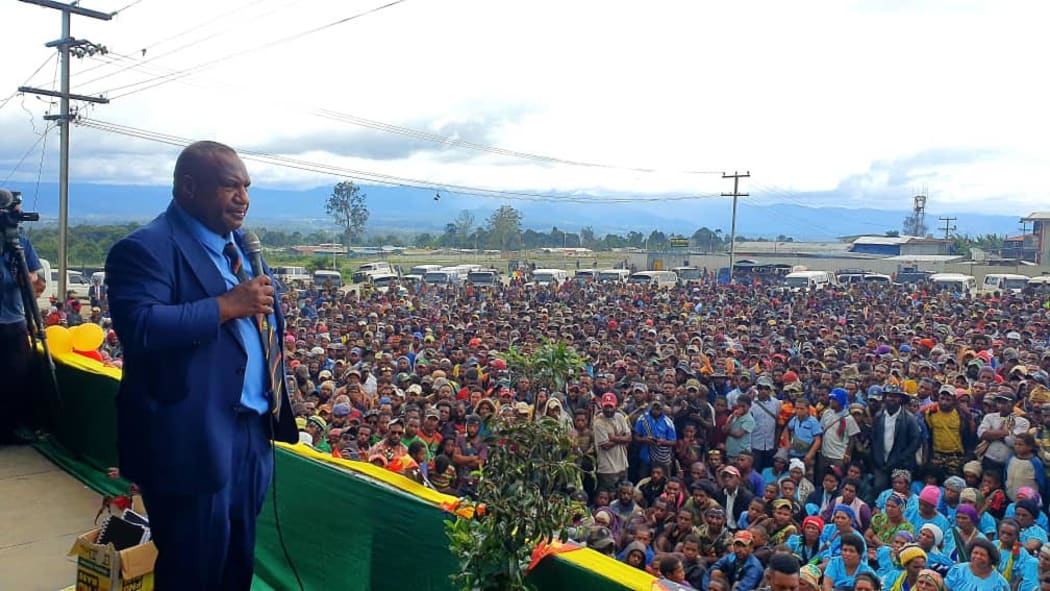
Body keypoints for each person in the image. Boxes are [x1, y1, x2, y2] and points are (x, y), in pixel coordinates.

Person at [105, 141, 297, 590]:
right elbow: (141, 325)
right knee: (194, 567)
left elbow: (264, 326)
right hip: (188, 437)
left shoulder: (244, 248)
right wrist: (226, 306)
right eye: (230, 185)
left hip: (251, 431)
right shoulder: (145, 248)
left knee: (236, 561)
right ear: (189, 187)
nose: (243, 197)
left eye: (247, 187)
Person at [0, 202, 45, 444]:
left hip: (14, 323)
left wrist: (29, 279)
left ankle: (13, 427)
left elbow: (39, 286)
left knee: (17, 377)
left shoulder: (20, 244)